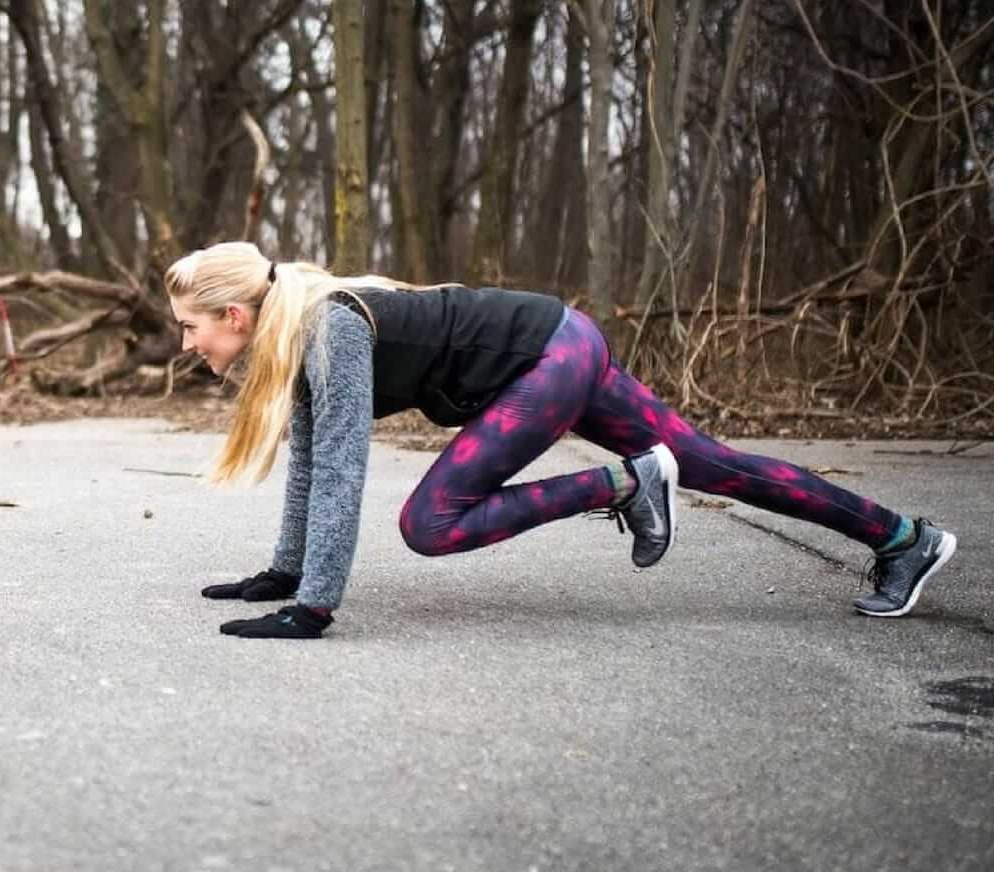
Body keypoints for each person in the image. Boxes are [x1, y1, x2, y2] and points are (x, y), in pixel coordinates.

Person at [165, 241, 958, 639]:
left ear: (234, 315)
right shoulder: (292, 337)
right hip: (554, 344)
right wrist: (282, 572)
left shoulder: (326, 327)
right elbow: (309, 460)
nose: (188, 344)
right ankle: (903, 537)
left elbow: (343, 472)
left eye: (190, 327)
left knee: (430, 522)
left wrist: (313, 609)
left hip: (549, 357)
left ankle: (626, 483)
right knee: (716, 465)